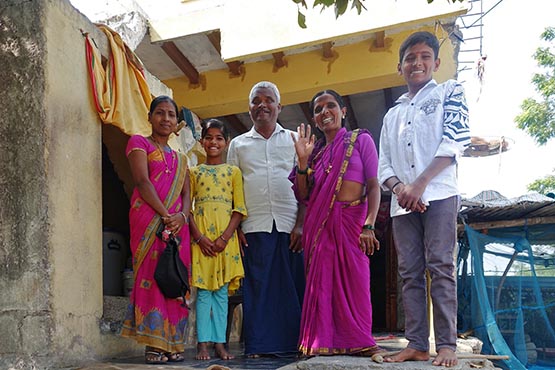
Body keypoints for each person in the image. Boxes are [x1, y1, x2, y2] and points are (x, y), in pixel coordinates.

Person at [377, 31, 470, 367]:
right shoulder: (392, 115)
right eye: (410, 58)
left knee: (441, 266)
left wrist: (420, 184)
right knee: (409, 271)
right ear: (400, 66)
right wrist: (402, 189)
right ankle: (416, 343)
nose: (417, 63)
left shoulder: (450, 92)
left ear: (436, 62)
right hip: (403, 202)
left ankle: (446, 345)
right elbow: (383, 163)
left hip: (441, 193)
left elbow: (455, 141)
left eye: (424, 57)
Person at [291, 90, 383, 357]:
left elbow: (374, 186)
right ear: (315, 119)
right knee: (322, 285)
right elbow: (304, 195)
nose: (324, 112)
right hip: (319, 228)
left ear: (343, 111)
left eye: (330, 106)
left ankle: (360, 340)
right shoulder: (314, 151)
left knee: (357, 281)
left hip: (353, 223)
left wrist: (369, 225)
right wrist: (303, 161)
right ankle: (321, 342)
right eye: (318, 109)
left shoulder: (360, 140)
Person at [227, 81, 305, 357]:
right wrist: (235, 230)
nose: (262, 105)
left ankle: (294, 344)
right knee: (258, 287)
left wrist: (301, 224)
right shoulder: (238, 144)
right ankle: (259, 347)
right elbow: (232, 189)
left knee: (291, 287)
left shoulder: (295, 140)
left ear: (279, 106)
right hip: (254, 225)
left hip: (290, 224)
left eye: (269, 100)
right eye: (256, 101)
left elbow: (307, 186)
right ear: (249, 109)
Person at [121, 95, 191, 364]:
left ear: (176, 123)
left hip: (177, 227)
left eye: (171, 115)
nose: (165, 119)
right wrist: (166, 216)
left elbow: (187, 193)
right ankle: (154, 344)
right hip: (150, 221)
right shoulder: (139, 143)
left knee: (174, 278)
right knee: (152, 275)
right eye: (159, 113)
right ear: (150, 117)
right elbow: (141, 181)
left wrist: (182, 217)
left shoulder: (182, 158)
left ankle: (173, 343)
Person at [188, 119, 247, 361]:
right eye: (209, 137)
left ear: (226, 143)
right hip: (200, 240)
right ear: (202, 142)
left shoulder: (233, 172)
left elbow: (239, 209)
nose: (213, 142)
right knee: (203, 294)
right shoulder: (193, 172)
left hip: (226, 241)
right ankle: (203, 344)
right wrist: (200, 238)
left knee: (221, 294)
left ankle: (220, 344)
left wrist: (224, 238)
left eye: (219, 138)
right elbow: (187, 210)